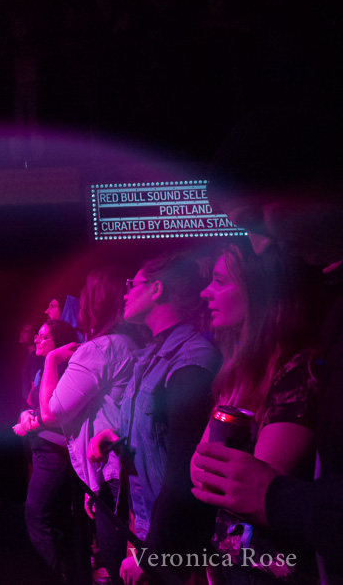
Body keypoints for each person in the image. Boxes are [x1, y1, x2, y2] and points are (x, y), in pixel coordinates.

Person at [190, 108, 343, 584]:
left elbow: (245, 487)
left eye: (255, 218)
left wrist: (277, 498)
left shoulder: (300, 364)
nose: (260, 244)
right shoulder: (243, 364)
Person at [88, 251, 222, 585]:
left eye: (133, 284)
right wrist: (114, 435)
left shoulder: (191, 361)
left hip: (172, 545)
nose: (126, 292)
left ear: (157, 289)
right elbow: (156, 431)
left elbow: (183, 472)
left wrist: (153, 555)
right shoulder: (152, 356)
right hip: (147, 529)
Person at [196, 239, 323, 584]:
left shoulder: (299, 372)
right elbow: (200, 472)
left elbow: (242, 491)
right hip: (233, 563)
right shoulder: (237, 371)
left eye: (220, 282)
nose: (206, 293)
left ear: (262, 291)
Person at [37, 266, 148, 585]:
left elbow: (50, 414)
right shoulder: (127, 343)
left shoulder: (99, 349)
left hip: (113, 472)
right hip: (121, 470)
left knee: (118, 570)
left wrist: (50, 361)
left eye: (85, 294)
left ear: (94, 302)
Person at [13, 319, 86, 584]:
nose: (37, 340)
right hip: (43, 449)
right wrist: (26, 415)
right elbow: (35, 405)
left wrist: (32, 420)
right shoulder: (43, 367)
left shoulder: (67, 371)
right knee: (53, 518)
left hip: (55, 453)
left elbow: (52, 413)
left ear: (63, 343)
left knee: (37, 515)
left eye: (44, 337)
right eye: (38, 336)